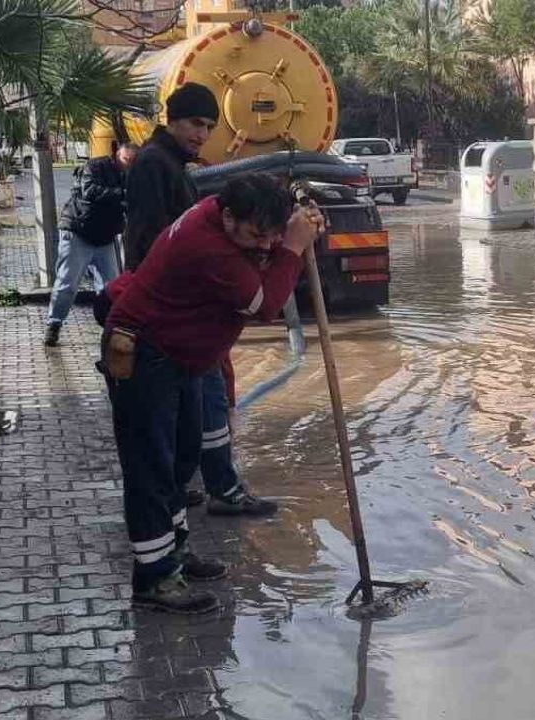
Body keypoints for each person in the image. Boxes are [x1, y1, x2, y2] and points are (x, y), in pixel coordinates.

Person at [102, 174, 324, 613]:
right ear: (227, 218)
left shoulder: (223, 218)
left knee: (182, 460)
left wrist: (299, 233)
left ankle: (174, 555)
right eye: (256, 236)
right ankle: (154, 578)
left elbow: (270, 258)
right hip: (144, 353)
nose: (264, 246)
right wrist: (293, 248)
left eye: (273, 236)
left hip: (179, 356)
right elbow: (265, 305)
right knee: (151, 468)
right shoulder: (206, 247)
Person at [122, 81, 279, 518]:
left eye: (209, 126)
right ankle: (216, 489)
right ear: (171, 119)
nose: (201, 134)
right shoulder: (155, 165)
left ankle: (189, 485)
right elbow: (151, 239)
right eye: (194, 123)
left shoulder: (171, 163)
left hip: (180, 310)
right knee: (206, 402)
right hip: (173, 312)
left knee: (202, 404)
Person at [43, 143, 138, 347]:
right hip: (79, 230)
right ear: (117, 155)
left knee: (112, 285)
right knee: (68, 284)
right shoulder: (95, 167)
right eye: (126, 160)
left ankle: (112, 327)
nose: (128, 166)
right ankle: (54, 324)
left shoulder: (131, 176)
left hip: (105, 236)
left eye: (132, 162)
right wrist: (122, 195)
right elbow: (90, 191)